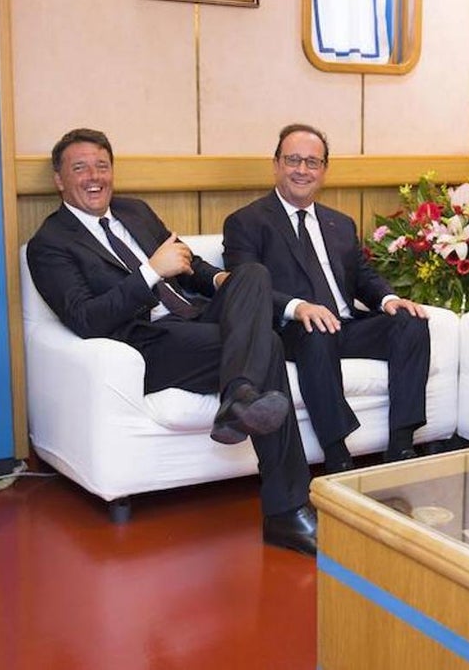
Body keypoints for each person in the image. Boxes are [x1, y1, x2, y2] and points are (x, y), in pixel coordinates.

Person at [26, 127, 316, 555]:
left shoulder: (135, 211)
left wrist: (217, 278)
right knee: (268, 345)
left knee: (251, 275)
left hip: (194, 316)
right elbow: (86, 319)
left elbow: (187, 262)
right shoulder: (50, 243)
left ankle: (239, 394)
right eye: (80, 167)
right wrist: (148, 273)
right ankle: (286, 509)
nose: (94, 177)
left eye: (102, 166)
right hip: (146, 342)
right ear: (59, 179)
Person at [223, 123, 431, 474]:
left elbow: (363, 275)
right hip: (294, 330)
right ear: (276, 164)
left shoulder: (341, 223)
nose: (302, 170)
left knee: (410, 321)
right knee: (316, 331)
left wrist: (387, 299)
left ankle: (401, 446)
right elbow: (244, 285)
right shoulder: (247, 222)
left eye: (312, 162)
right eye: (293, 160)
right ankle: (337, 456)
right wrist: (298, 307)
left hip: (345, 325)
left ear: (324, 171)